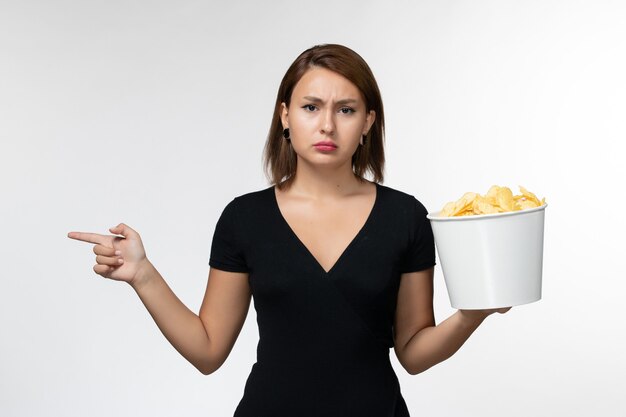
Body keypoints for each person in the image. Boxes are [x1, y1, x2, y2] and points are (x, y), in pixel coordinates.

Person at [67, 43, 510, 416]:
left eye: (347, 109)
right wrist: (143, 276)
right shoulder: (245, 219)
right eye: (311, 107)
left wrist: (475, 312)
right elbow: (207, 350)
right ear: (285, 115)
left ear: (368, 123)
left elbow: (412, 352)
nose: (327, 125)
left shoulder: (406, 216)